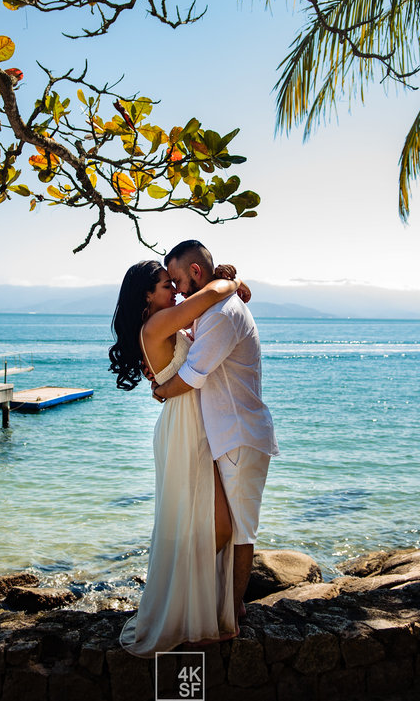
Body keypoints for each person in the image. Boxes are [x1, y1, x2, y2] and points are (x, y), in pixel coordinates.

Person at [109, 260, 247, 656]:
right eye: (166, 285)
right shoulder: (156, 325)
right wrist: (232, 281)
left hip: (192, 424)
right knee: (216, 527)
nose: (175, 290)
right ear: (147, 295)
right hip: (185, 428)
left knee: (202, 523)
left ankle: (189, 605)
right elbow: (213, 293)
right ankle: (185, 607)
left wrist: (232, 282)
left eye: (173, 283)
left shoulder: (165, 324)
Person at [151, 240, 278, 626]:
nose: (177, 291)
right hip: (226, 436)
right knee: (224, 525)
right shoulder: (210, 310)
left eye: (177, 280)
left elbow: (193, 375)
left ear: (195, 272)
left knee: (240, 531)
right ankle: (214, 605)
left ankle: (231, 613)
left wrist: (160, 390)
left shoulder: (222, 314)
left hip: (238, 435)